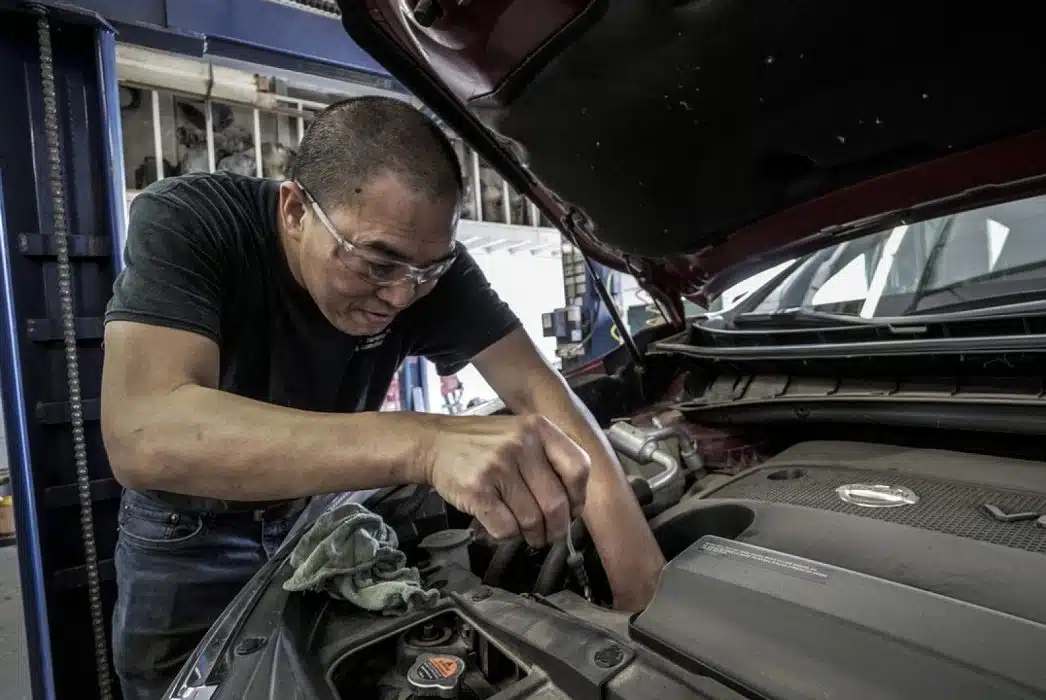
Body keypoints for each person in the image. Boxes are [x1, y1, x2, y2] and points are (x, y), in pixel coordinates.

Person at [100, 96, 665, 700]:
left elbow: (536, 390)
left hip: (316, 520)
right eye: (375, 264)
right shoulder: (195, 221)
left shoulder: (425, 272)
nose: (400, 298)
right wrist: (421, 443)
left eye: (427, 272)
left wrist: (642, 595)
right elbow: (144, 432)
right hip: (190, 537)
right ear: (294, 210)